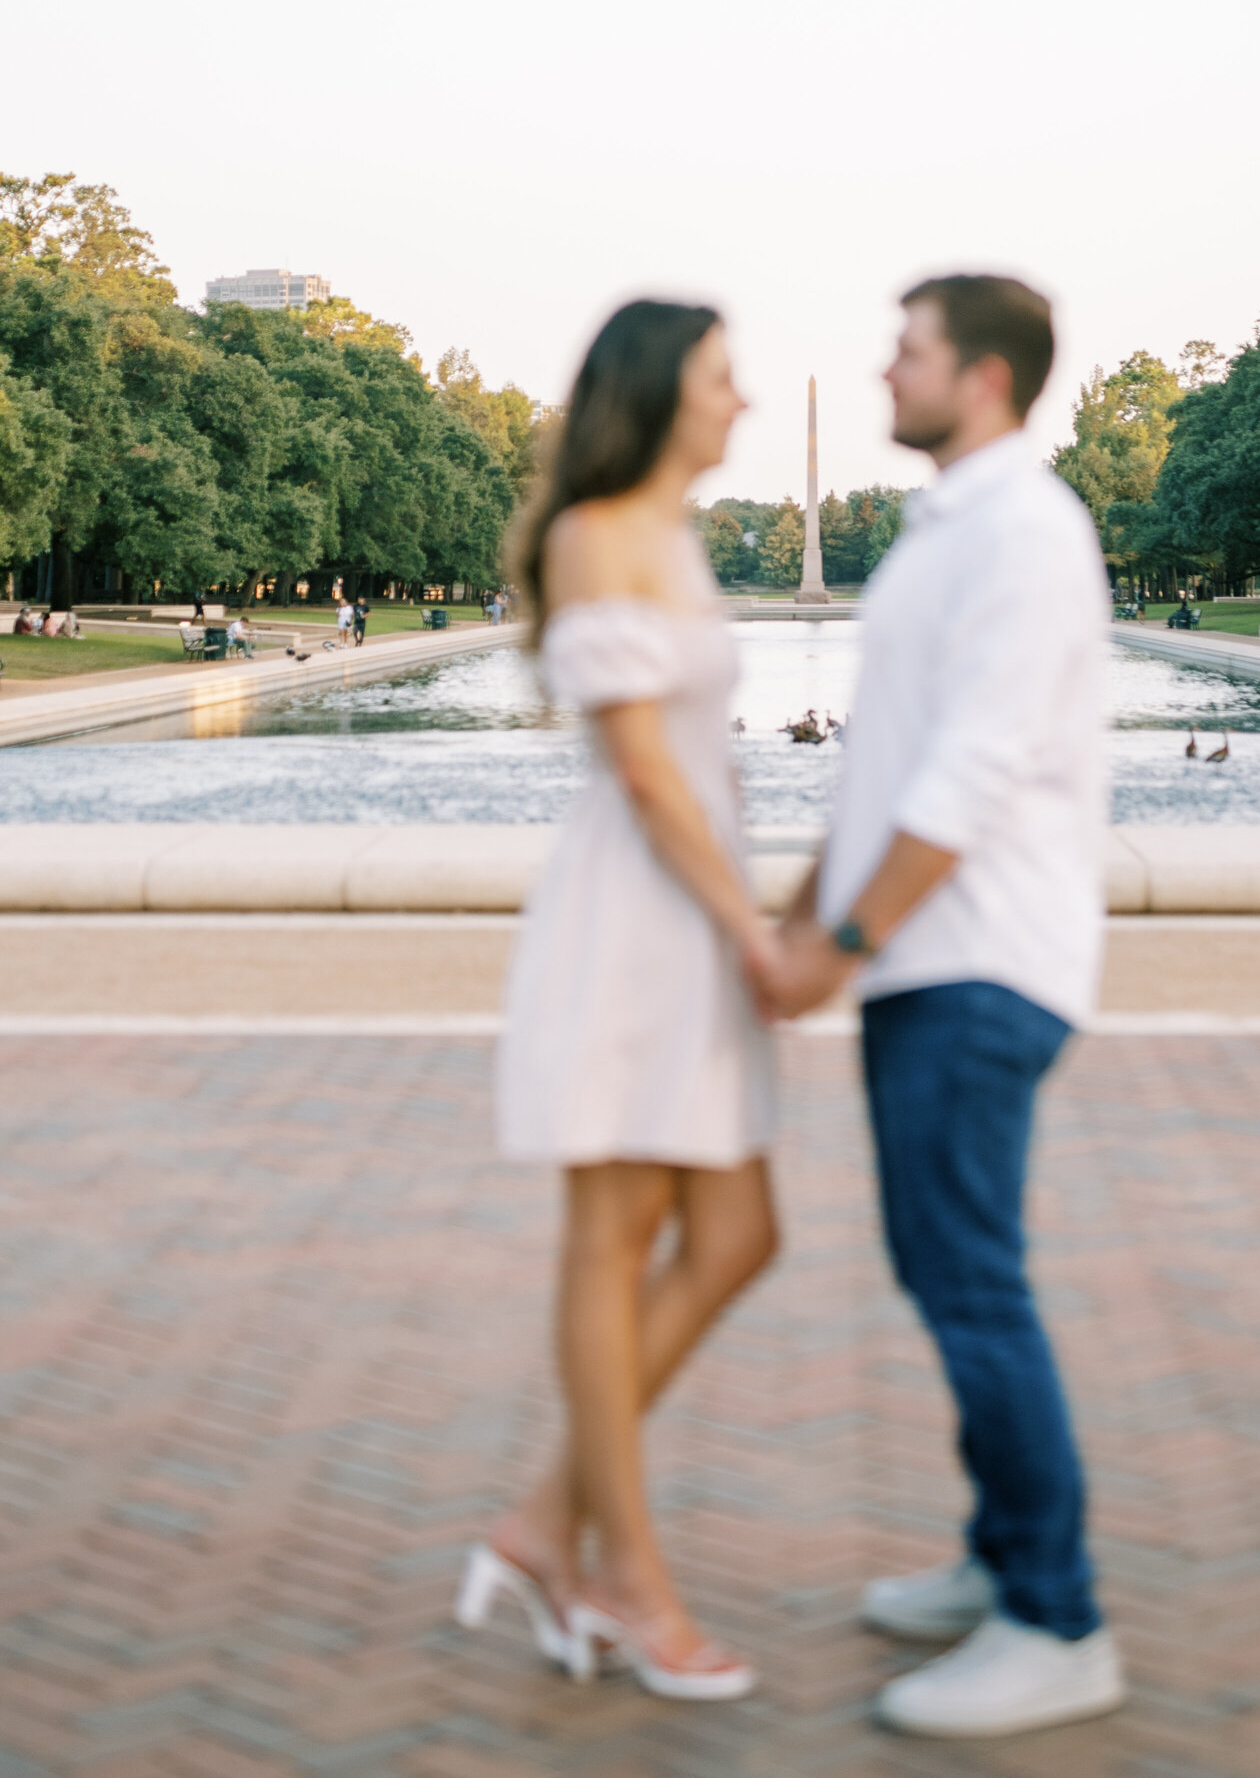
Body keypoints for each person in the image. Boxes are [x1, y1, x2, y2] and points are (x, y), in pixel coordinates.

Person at [760, 274, 1124, 1739]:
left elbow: (967, 779)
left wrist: (833, 942)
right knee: (946, 1268)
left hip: (980, 960)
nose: (881, 368)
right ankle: (1002, 1559)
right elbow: (879, 775)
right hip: (933, 959)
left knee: (972, 1279)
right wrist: (792, 925)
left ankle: (1057, 1617)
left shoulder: (1028, 535)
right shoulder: (951, 530)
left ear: (979, 376)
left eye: (905, 349)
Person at [458, 299, 776, 1703]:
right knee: (616, 1233)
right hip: (643, 920)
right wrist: (749, 934)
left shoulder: (679, 534)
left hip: (693, 911)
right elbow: (644, 771)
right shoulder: (597, 533)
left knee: (739, 1228)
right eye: (721, 379)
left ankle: (540, 1524)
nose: (743, 401)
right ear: (657, 394)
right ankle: (623, 1578)